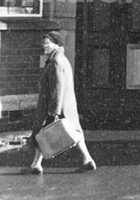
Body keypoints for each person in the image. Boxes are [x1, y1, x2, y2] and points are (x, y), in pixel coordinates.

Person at [27, 31, 97, 174]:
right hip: (66, 105)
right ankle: (87, 159)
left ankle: (36, 163)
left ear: (56, 44)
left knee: (43, 133)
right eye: (43, 43)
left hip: (55, 106)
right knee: (73, 132)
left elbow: (57, 88)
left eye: (47, 43)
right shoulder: (60, 59)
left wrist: (53, 112)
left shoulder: (56, 62)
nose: (44, 46)